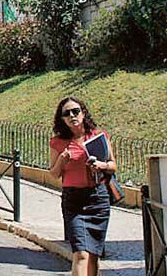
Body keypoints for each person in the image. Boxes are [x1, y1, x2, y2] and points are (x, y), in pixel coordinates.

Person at [49, 98, 116, 276]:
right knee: (80, 254)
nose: (72, 115)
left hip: (98, 199)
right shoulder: (58, 142)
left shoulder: (98, 136)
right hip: (74, 201)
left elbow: (112, 165)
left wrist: (101, 166)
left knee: (93, 255)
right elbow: (54, 173)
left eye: (75, 111)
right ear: (62, 119)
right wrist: (62, 161)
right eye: (66, 113)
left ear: (83, 113)